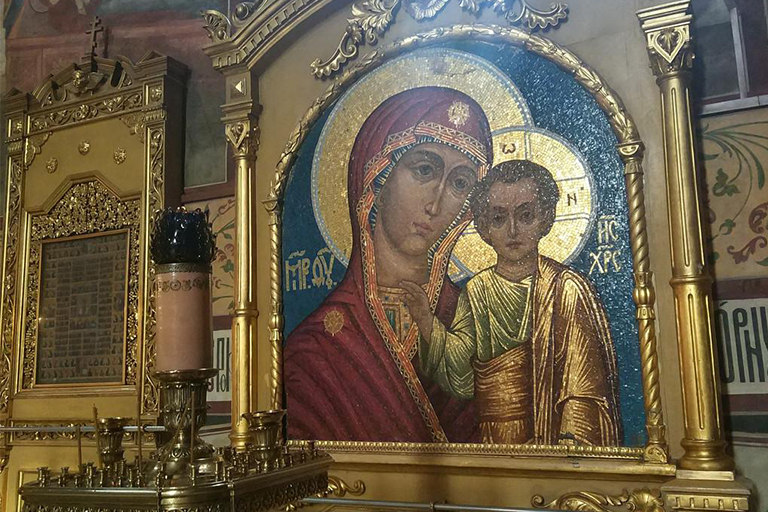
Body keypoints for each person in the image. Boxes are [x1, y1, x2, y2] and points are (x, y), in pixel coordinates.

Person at [284, 87, 494, 443]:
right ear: (377, 180)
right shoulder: (316, 347)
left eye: (460, 183)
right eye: (424, 170)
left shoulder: (472, 319)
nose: (436, 204)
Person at [403, 160, 623, 446]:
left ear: (546, 219)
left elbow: (583, 385)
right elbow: (462, 375)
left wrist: (566, 444)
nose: (513, 230)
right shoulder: (478, 290)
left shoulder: (565, 289)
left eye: (526, 215)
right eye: (498, 218)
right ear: (483, 227)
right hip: (492, 438)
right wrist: (425, 319)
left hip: (551, 438)